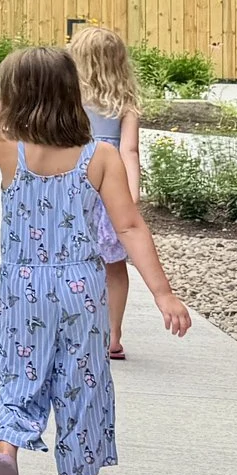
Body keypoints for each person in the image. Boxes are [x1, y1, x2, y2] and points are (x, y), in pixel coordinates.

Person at [0, 46, 192, 475]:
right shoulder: (101, 156)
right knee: (82, 384)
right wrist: (163, 294)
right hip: (80, 288)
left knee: (20, 376)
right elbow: (129, 226)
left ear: (14, 97)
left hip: (23, 286)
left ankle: (6, 451)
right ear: (72, 93)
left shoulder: (6, 145)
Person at [68, 25, 143, 360]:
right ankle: (113, 334)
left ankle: (75, 327)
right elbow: (130, 150)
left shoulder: (69, 98)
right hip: (111, 188)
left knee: (72, 260)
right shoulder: (126, 103)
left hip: (75, 185)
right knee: (113, 265)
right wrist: (131, 193)